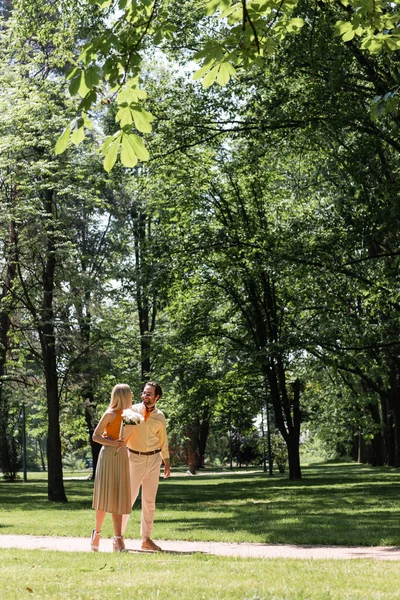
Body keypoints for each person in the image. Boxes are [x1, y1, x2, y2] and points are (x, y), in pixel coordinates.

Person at [122, 381, 170, 551]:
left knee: (149, 502)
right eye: (144, 393)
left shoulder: (160, 416)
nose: (145, 396)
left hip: (154, 459)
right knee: (128, 499)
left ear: (157, 397)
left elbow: (163, 439)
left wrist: (166, 461)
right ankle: (119, 538)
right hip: (134, 458)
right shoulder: (132, 411)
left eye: (149, 394)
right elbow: (122, 432)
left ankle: (146, 539)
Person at [91, 383, 133, 553]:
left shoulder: (129, 415)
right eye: (129, 393)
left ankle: (118, 539)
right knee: (105, 495)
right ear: (122, 396)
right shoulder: (110, 414)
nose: (132, 395)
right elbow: (95, 436)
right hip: (109, 455)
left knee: (119, 496)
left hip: (122, 454)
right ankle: (97, 533)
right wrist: (112, 442)